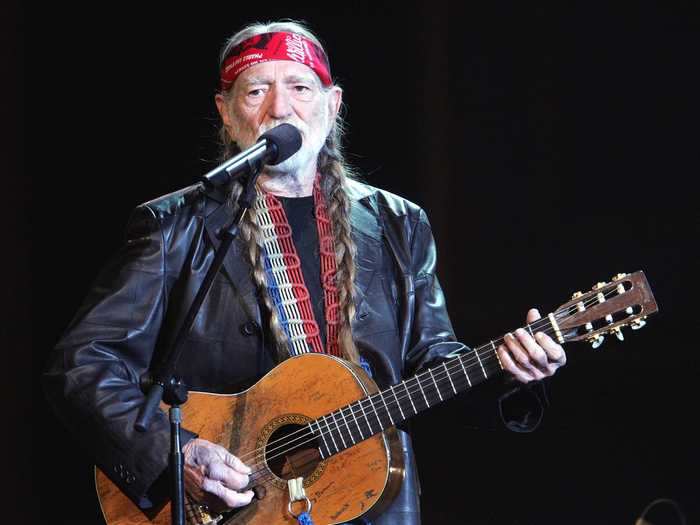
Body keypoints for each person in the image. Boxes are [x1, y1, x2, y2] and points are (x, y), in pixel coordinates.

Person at [43, 20, 567, 525]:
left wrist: (506, 371)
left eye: (300, 87)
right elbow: (83, 364)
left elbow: (432, 361)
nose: (279, 108)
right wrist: (176, 454)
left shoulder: (398, 224)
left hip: (369, 503)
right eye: (255, 92)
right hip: (230, 506)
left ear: (333, 105)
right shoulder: (178, 224)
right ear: (225, 113)